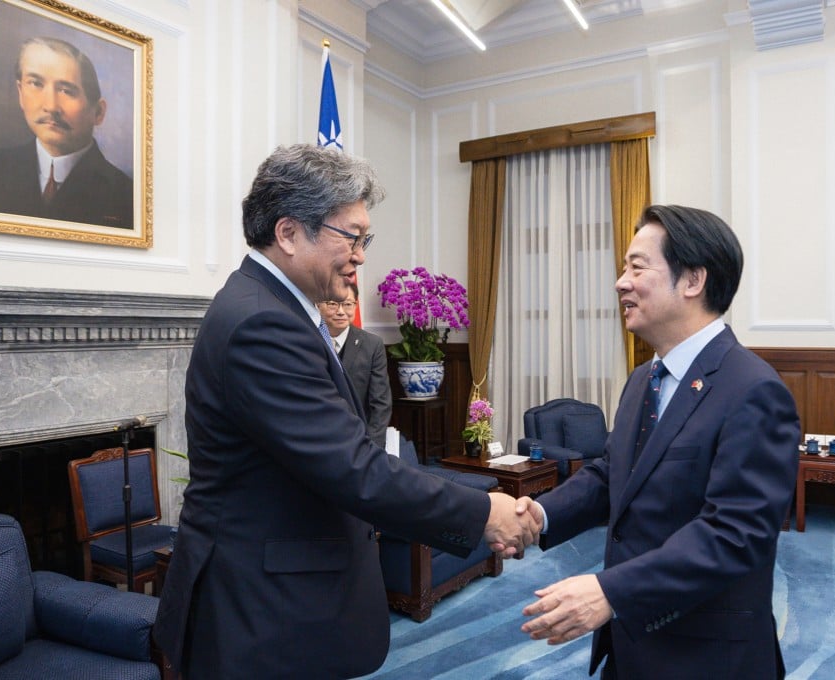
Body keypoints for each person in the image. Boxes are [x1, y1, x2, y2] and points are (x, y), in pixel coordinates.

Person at [152, 143, 538, 679]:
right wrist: (483, 512)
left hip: (280, 601)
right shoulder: (261, 324)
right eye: (351, 236)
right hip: (262, 614)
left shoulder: (274, 308)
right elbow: (353, 467)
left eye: (365, 238)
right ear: (288, 233)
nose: (361, 254)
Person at [518, 205, 800, 679]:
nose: (620, 282)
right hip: (631, 643)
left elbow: (734, 535)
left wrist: (612, 591)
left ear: (692, 280)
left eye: (637, 266)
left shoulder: (753, 389)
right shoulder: (641, 380)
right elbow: (612, 476)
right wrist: (540, 514)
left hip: (704, 656)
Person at [0, 37, 133, 229]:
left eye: (66, 91)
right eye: (35, 83)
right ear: (20, 92)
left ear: (98, 112)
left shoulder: (126, 195)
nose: (51, 106)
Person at [319, 283, 393, 448]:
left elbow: (380, 404)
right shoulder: (309, 341)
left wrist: (372, 449)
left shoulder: (372, 345)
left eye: (347, 304)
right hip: (318, 437)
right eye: (333, 304)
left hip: (359, 439)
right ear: (319, 305)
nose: (341, 311)